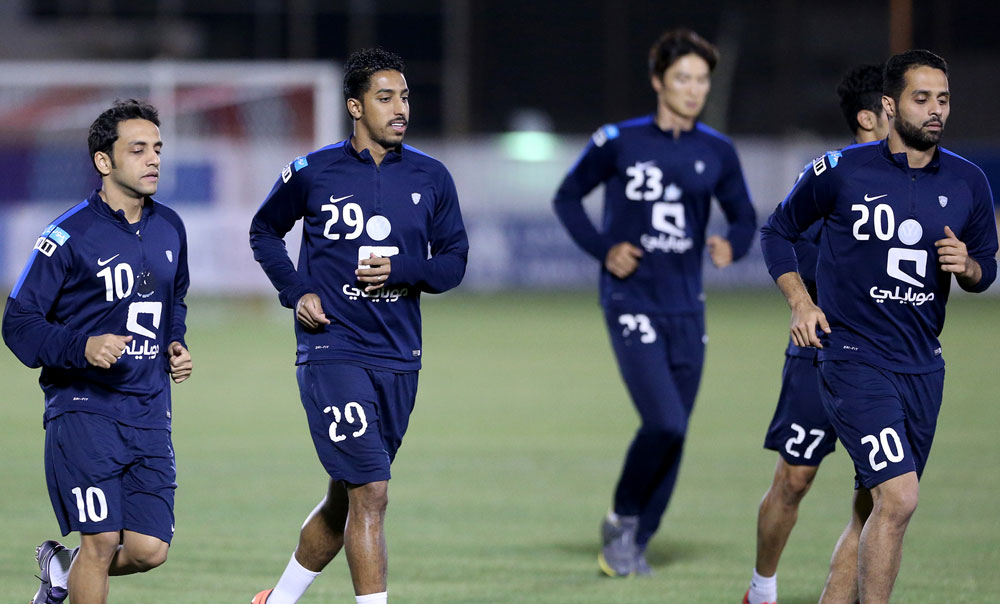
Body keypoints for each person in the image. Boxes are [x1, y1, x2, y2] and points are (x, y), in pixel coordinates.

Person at [760, 50, 998, 604]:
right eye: (922, 99)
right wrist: (800, 302)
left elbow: (985, 269)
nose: (936, 110)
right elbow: (776, 231)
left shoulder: (970, 181)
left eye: (942, 99)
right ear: (889, 107)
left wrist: (969, 266)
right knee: (899, 499)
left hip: (922, 366)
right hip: (853, 358)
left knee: (874, 508)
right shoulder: (841, 170)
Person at [248, 48, 468, 604]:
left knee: (347, 498)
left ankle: (277, 601)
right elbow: (263, 231)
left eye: (406, 97)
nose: (401, 108)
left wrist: (403, 268)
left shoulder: (431, 176)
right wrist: (296, 292)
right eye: (386, 97)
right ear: (354, 106)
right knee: (371, 489)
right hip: (332, 350)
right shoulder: (313, 170)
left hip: (399, 356)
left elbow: (454, 263)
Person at [553, 28, 757, 577]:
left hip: (687, 308)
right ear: (657, 81)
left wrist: (731, 245)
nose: (694, 89)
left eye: (702, 80)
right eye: (683, 78)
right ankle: (622, 519)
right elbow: (567, 197)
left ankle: (637, 540)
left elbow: (744, 217)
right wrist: (603, 249)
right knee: (664, 422)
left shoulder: (717, 150)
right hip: (631, 300)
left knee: (677, 434)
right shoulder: (619, 140)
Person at [2, 99, 193, 604]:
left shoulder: (171, 226)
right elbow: (17, 324)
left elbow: (175, 301)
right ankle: (77, 566)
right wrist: (82, 345)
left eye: (157, 148)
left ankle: (60, 571)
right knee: (103, 540)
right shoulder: (66, 236)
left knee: (150, 549)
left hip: (150, 411)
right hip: (84, 409)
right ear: (104, 162)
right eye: (138, 150)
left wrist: (176, 342)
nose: (153, 159)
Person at [743, 63, 889, 604]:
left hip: (885, 357)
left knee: (880, 494)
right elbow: (784, 237)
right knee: (794, 479)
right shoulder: (830, 175)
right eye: (898, 105)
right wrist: (811, 294)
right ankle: (760, 590)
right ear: (869, 117)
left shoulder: (918, 180)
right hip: (820, 349)